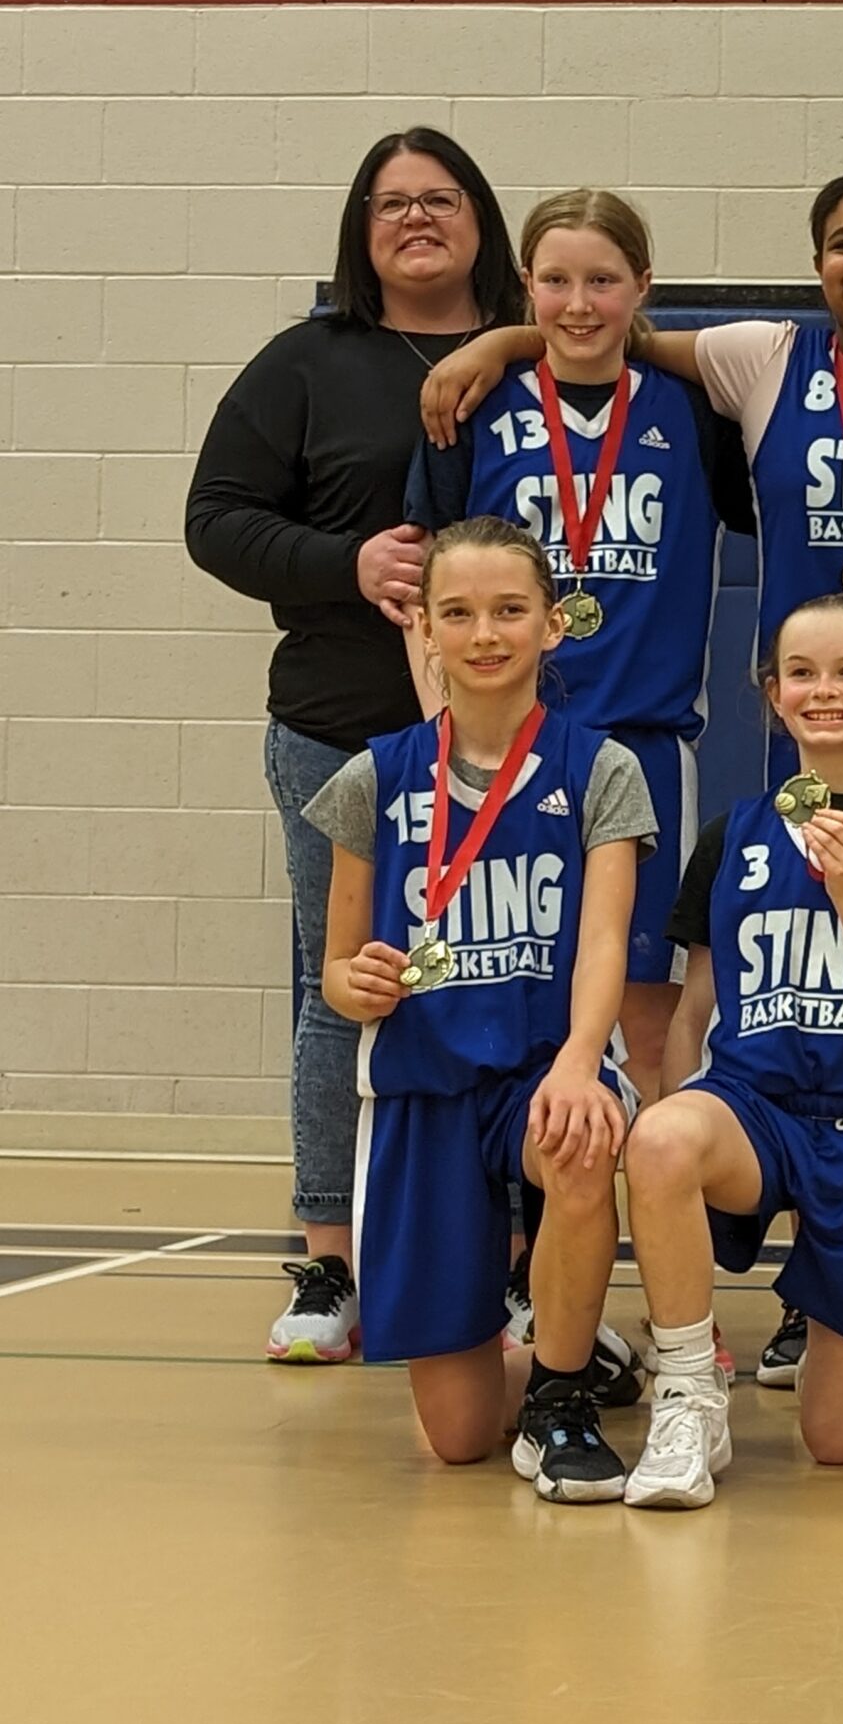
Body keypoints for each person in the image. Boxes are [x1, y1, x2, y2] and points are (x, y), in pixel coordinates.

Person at [428, 169, 843, 1390]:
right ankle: (812, 1278)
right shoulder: (762, 360)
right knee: (795, 989)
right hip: (820, 717)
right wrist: (500, 336)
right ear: (815, 264)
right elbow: (607, 330)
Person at [186, 126, 526, 1363]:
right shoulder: (305, 362)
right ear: (360, 229)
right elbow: (214, 520)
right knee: (344, 989)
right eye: (390, 202)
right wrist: (348, 560)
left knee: (512, 984)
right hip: (342, 732)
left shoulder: (538, 355)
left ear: (481, 218)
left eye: (439, 197)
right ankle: (331, 1259)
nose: (416, 217)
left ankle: (513, 1265)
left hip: (516, 748)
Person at [299, 518, 652, 1493]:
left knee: (578, 1139)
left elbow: (605, 942)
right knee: (456, 1439)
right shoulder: (373, 776)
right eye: (457, 612)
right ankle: (571, 1355)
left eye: (509, 609)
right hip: (423, 1080)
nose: (485, 633)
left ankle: (562, 1398)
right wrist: (356, 981)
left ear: (552, 624)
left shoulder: (600, 768)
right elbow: (334, 968)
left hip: (544, 1060)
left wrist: (581, 1061)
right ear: (424, 628)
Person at [617, 593, 843, 1508]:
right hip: (753, 1110)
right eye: (802, 673)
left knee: (835, 1440)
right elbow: (695, 1009)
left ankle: (834, 1330)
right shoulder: (731, 836)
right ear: (774, 695)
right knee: (660, 1140)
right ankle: (688, 1392)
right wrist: (672, 1125)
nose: (824, 690)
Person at [408, 186, 754, 1107]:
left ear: (643, 285)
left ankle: (653, 1187)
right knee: (502, 994)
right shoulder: (475, 405)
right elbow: (419, 591)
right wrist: (441, 728)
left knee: (647, 1012)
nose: (578, 304)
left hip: (640, 747)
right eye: (556, 281)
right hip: (499, 750)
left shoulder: (696, 408)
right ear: (526, 284)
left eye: (603, 280)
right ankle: (522, 1191)